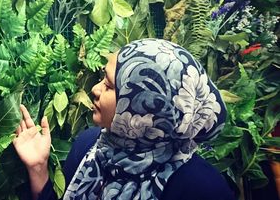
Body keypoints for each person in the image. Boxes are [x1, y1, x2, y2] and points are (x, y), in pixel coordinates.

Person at [13, 38, 235, 200]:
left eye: (109, 85)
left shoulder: (201, 188)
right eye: (102, 77)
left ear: (147, 105)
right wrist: (38, 168)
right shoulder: (89, 146)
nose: (94, 89)